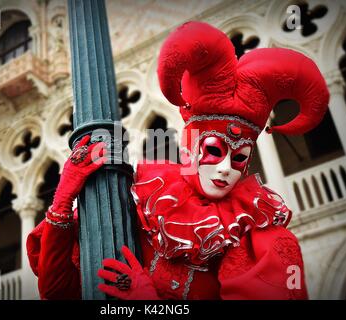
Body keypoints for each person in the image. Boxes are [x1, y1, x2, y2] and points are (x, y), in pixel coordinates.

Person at [26, 21, 329, 300]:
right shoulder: (143, 207)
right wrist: (63, 200)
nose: (225, 168)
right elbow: (58, 291)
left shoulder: (256, 239)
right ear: (191, 147)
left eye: (239, 158)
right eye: (213, 151)